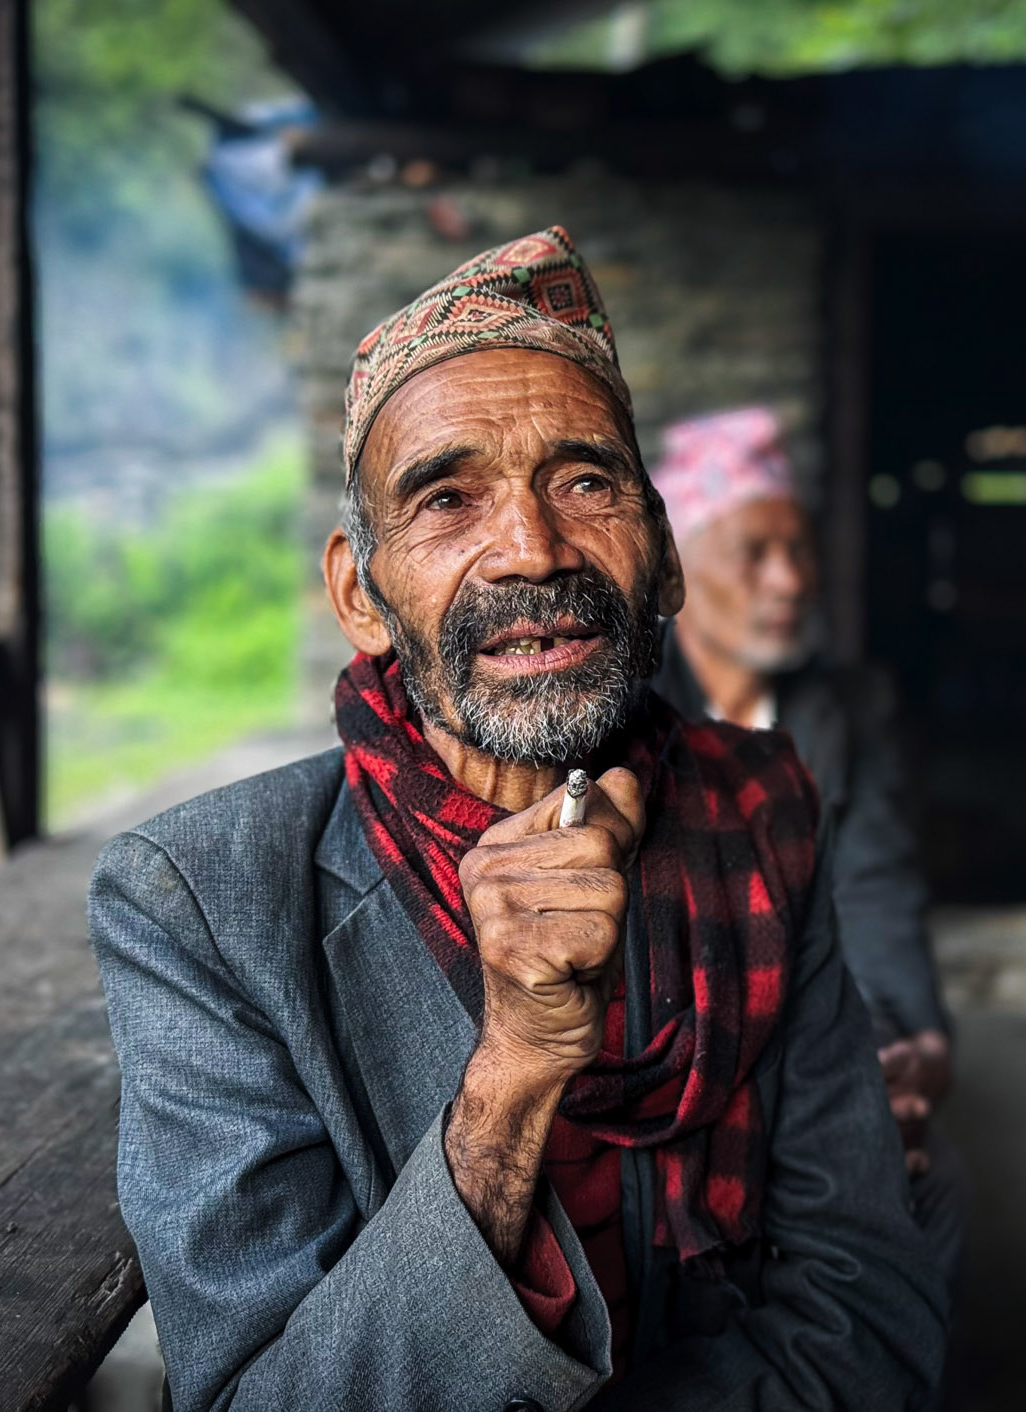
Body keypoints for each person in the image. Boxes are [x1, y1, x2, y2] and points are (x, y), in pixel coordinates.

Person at [90, 229, 947, 1412]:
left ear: (663, 558)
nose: (533, 549)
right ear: (359, 594)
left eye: (586, 482)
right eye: (447, 499)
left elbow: (866, 1317)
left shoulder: (761, 813)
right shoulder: (197, 897)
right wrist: (511, 1073)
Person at [649, 407, 960, 1280]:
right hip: (682, 1061)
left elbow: (875, 888)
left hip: (822, 1039)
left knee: (926, 1193)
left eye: (799, 550)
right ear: (678, 570)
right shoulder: (634, 704)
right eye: (754, 552)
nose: (789, 579)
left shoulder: (849, 711)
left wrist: (912, 1050)